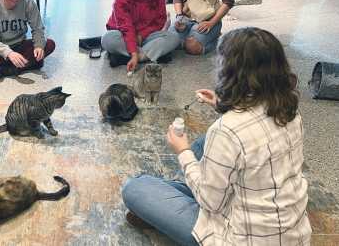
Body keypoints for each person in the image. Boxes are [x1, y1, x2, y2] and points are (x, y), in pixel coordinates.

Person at [122, 27, 311, 246]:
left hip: (236, 237)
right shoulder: (289, 110)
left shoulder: (227, 130)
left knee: (135, 187)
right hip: (291, 235)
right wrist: (221, 105)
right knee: (204, 144)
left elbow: (210, 202)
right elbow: (252, 126)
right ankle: (176, 194)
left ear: (230, 71)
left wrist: (182, 151)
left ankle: (169, 201)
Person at [101, 0, 177, 71]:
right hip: (123, 35)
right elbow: (126, 27)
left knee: (173, 37)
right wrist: (133, 50)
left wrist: (142, 35)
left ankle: (131, 57)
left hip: (146, 38)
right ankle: (146, 55)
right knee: (107, 39)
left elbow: (159, 22)